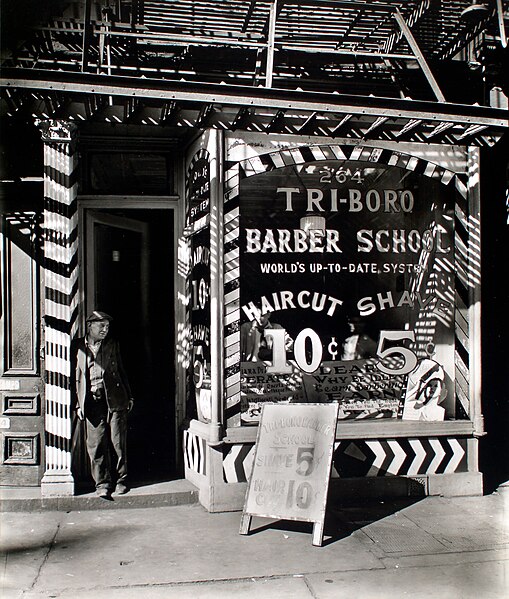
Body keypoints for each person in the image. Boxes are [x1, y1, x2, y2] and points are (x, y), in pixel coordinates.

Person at [72, 311, 134, 499]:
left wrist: (129, 396)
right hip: (91, 402)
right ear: (90, 325)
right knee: (96, 444)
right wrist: (77, 404)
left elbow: (121, 370)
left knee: (117, 443)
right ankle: (102, 484)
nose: (105, 330)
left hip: (114, 399)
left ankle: (121, 480)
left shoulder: (112, 344)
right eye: (101, 326)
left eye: (107, 326)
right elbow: (72, 377)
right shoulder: (77, 346)